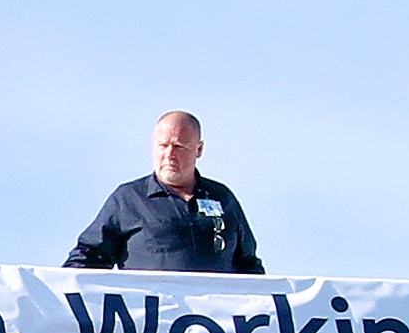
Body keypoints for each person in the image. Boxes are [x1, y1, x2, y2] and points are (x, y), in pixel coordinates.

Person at [64, 111, 263, 273]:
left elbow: (248, 265)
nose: (169, 154)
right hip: (152, 319)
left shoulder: (222, 198)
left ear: (198, 149)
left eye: (179, 146)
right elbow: (89, 256)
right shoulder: (129, 199)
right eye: (163, 145)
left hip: (215, 318)